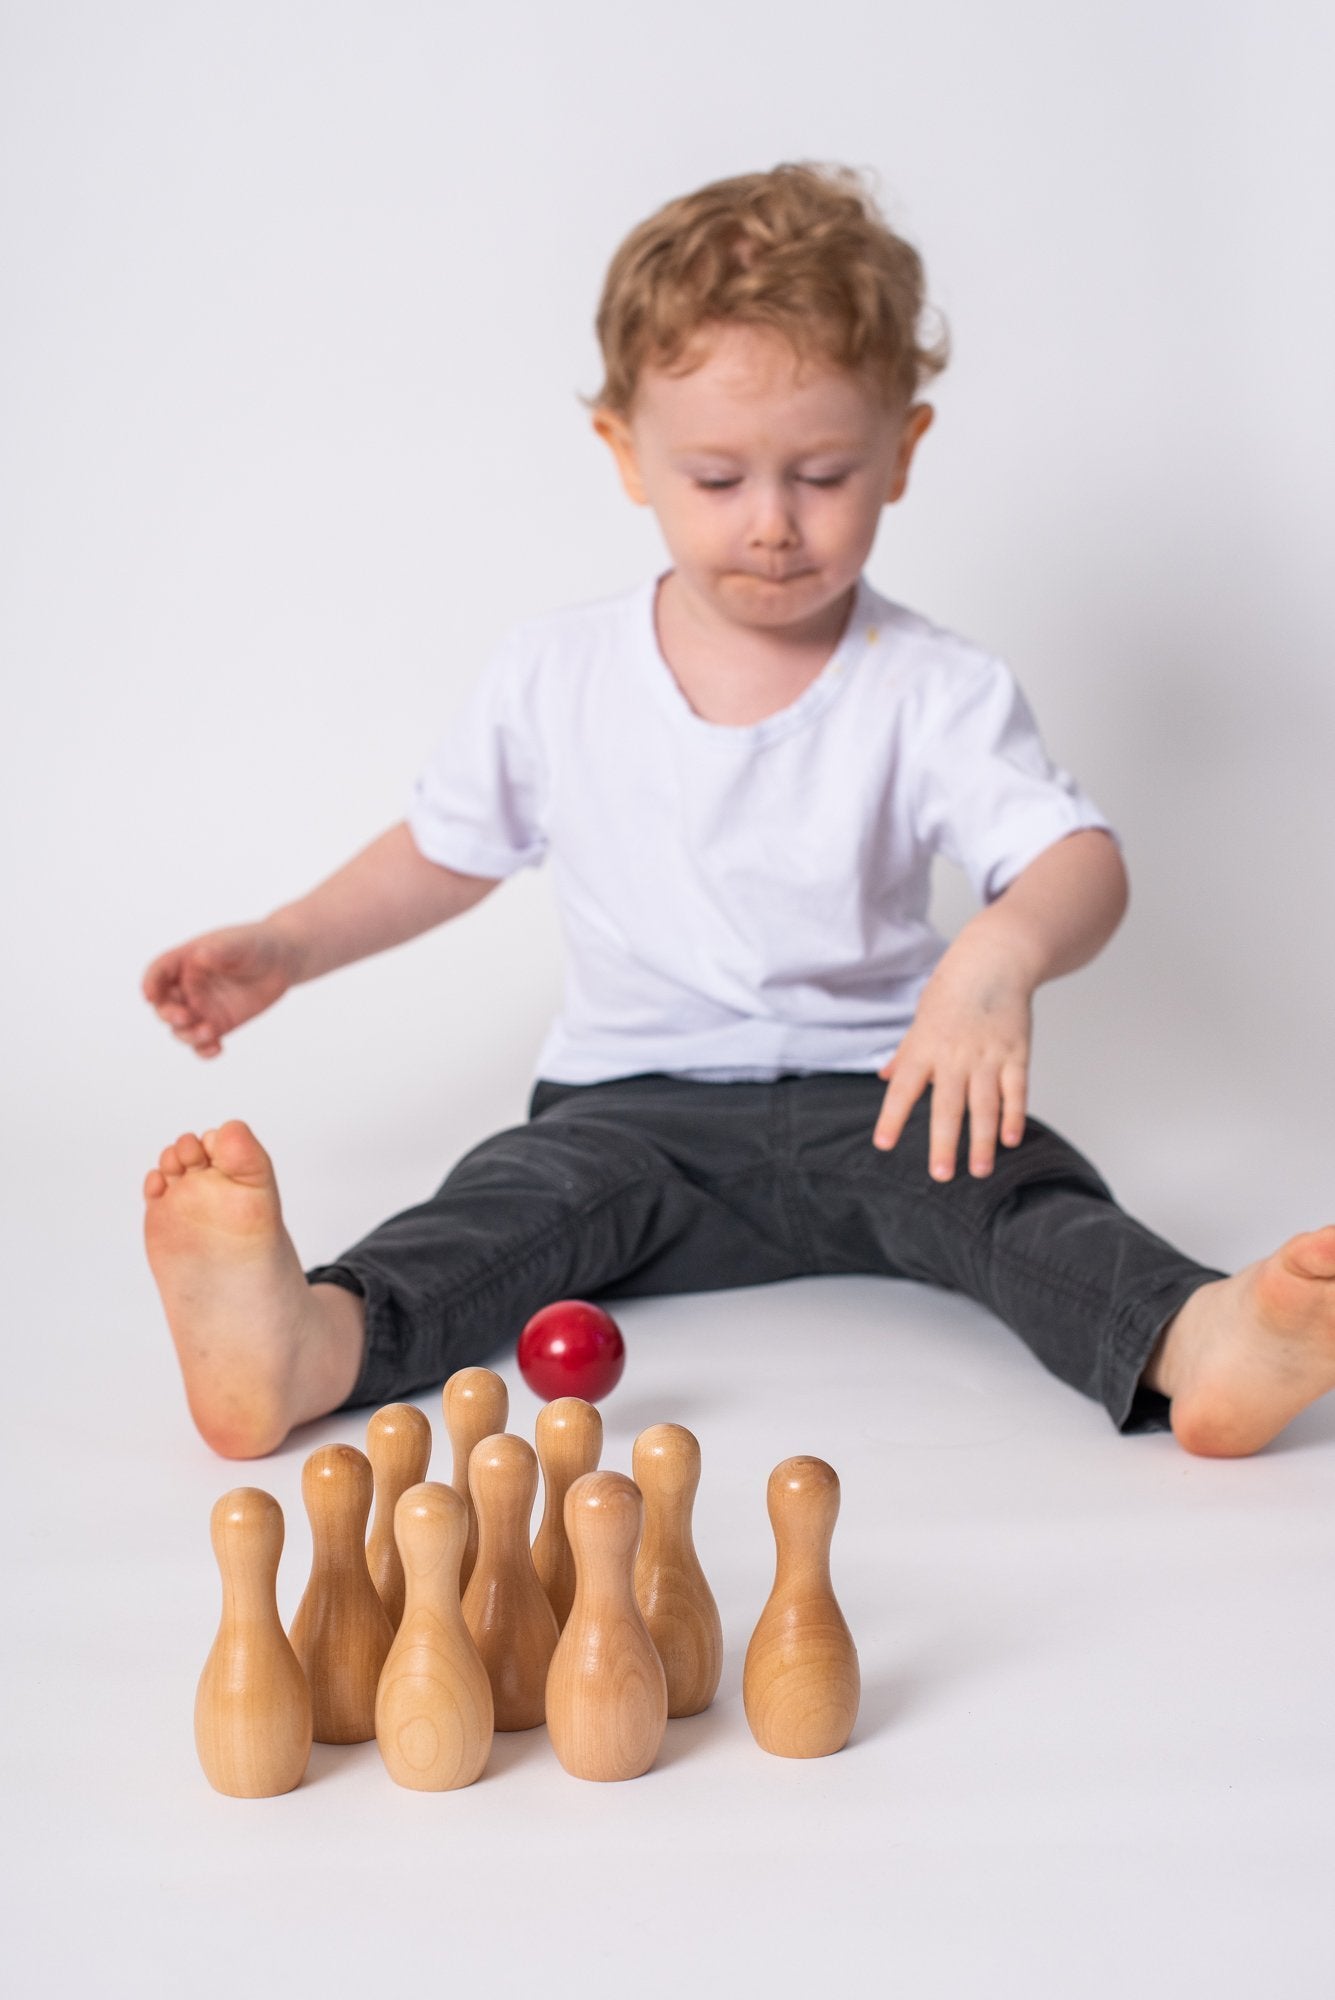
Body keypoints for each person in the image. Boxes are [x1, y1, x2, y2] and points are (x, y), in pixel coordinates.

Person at [141, 162, 1335, 1463]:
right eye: (716, 479)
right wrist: (288, 943)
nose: (772, 525)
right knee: (502, 1210)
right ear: (624, 452)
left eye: (822, 473)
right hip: (623, 1107)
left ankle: (1194, 1340)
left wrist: (999, 954)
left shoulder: (932, 684)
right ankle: (313, 1341)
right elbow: (442, 852)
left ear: (903, 453)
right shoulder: (559, 673)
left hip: (884, 1097)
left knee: (1025, 1203)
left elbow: (1076, 861)